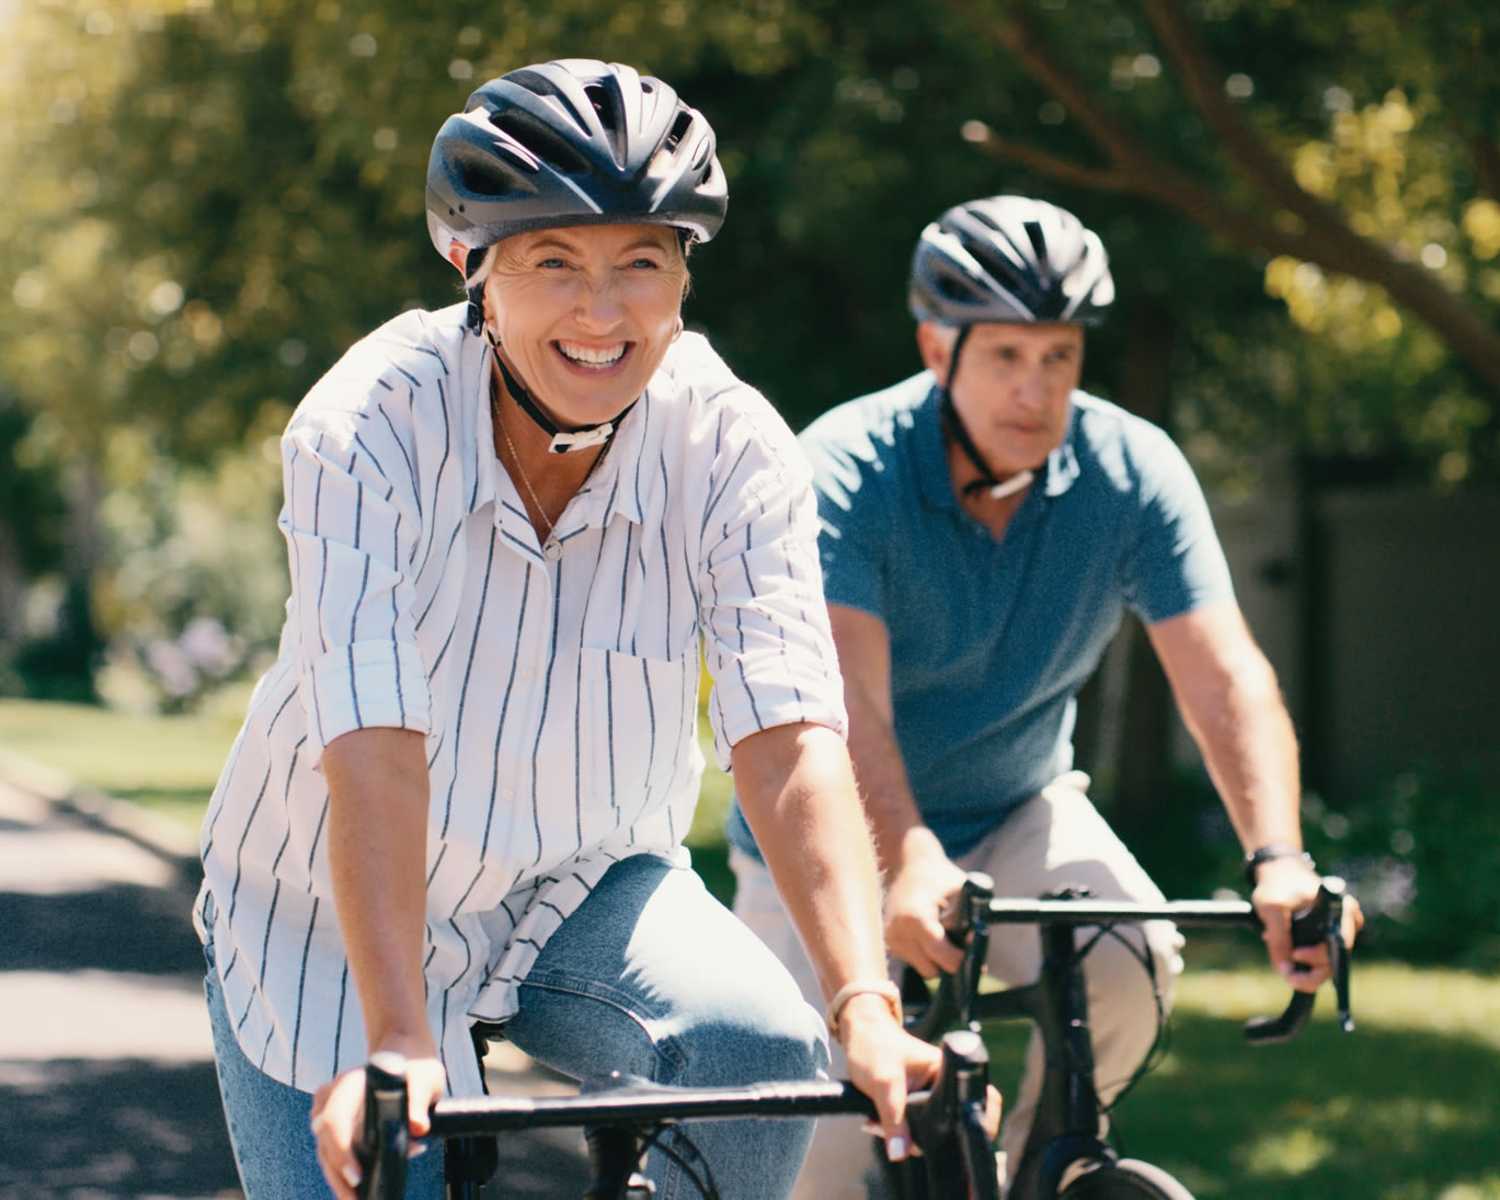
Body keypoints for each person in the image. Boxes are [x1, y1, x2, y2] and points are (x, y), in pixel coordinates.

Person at [194, 59, 955, 1200]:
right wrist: (397, 1037)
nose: (603, 314)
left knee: (758, 1051)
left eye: (641, 264)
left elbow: (788, 737)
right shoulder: (365, 428)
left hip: (581, 885)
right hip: (323, 911)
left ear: (685, 279)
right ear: (475, 270)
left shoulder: (735, 447)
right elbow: (376, 750)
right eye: (554, 263)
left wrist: (863, 1006)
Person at [727, 195, 1362, 1196]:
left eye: (1058, 358)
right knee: (824, 1167)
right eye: (1006, 358)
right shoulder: (841, 472)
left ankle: (1032, 1172)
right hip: (831, 842)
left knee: (1130, 963)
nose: (1035, 391)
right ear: (939, 351)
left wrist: (1278, 858)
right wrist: (908, 855)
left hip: (1022, 807)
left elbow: (1223, 677)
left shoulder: (1131, 469)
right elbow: (844, 705)